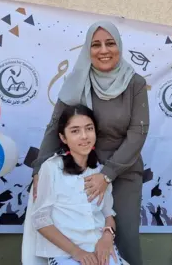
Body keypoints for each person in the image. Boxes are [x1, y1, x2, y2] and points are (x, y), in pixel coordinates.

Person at [30, 21, 149, 265]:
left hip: (123, 171)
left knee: (124, 240)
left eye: (110, 43)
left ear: (119, 46)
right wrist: (39, 168)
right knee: (79, 233)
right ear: (87, 49)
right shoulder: (77, 80)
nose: (103, 50)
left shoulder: (135, 83)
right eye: (95, 44)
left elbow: (138, 132)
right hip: (80, 169)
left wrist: (107, 174)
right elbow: (56, 126)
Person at [22, 105, 122, 265]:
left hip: (101, 249)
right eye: (75, 131)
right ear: (63, 138)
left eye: (89, 129)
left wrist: (108, 236)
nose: (84, 136)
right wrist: (77, 252)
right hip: (65, 254)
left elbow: (108, 214)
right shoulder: (51, 167)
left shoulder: (99, 171)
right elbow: (41, 220)